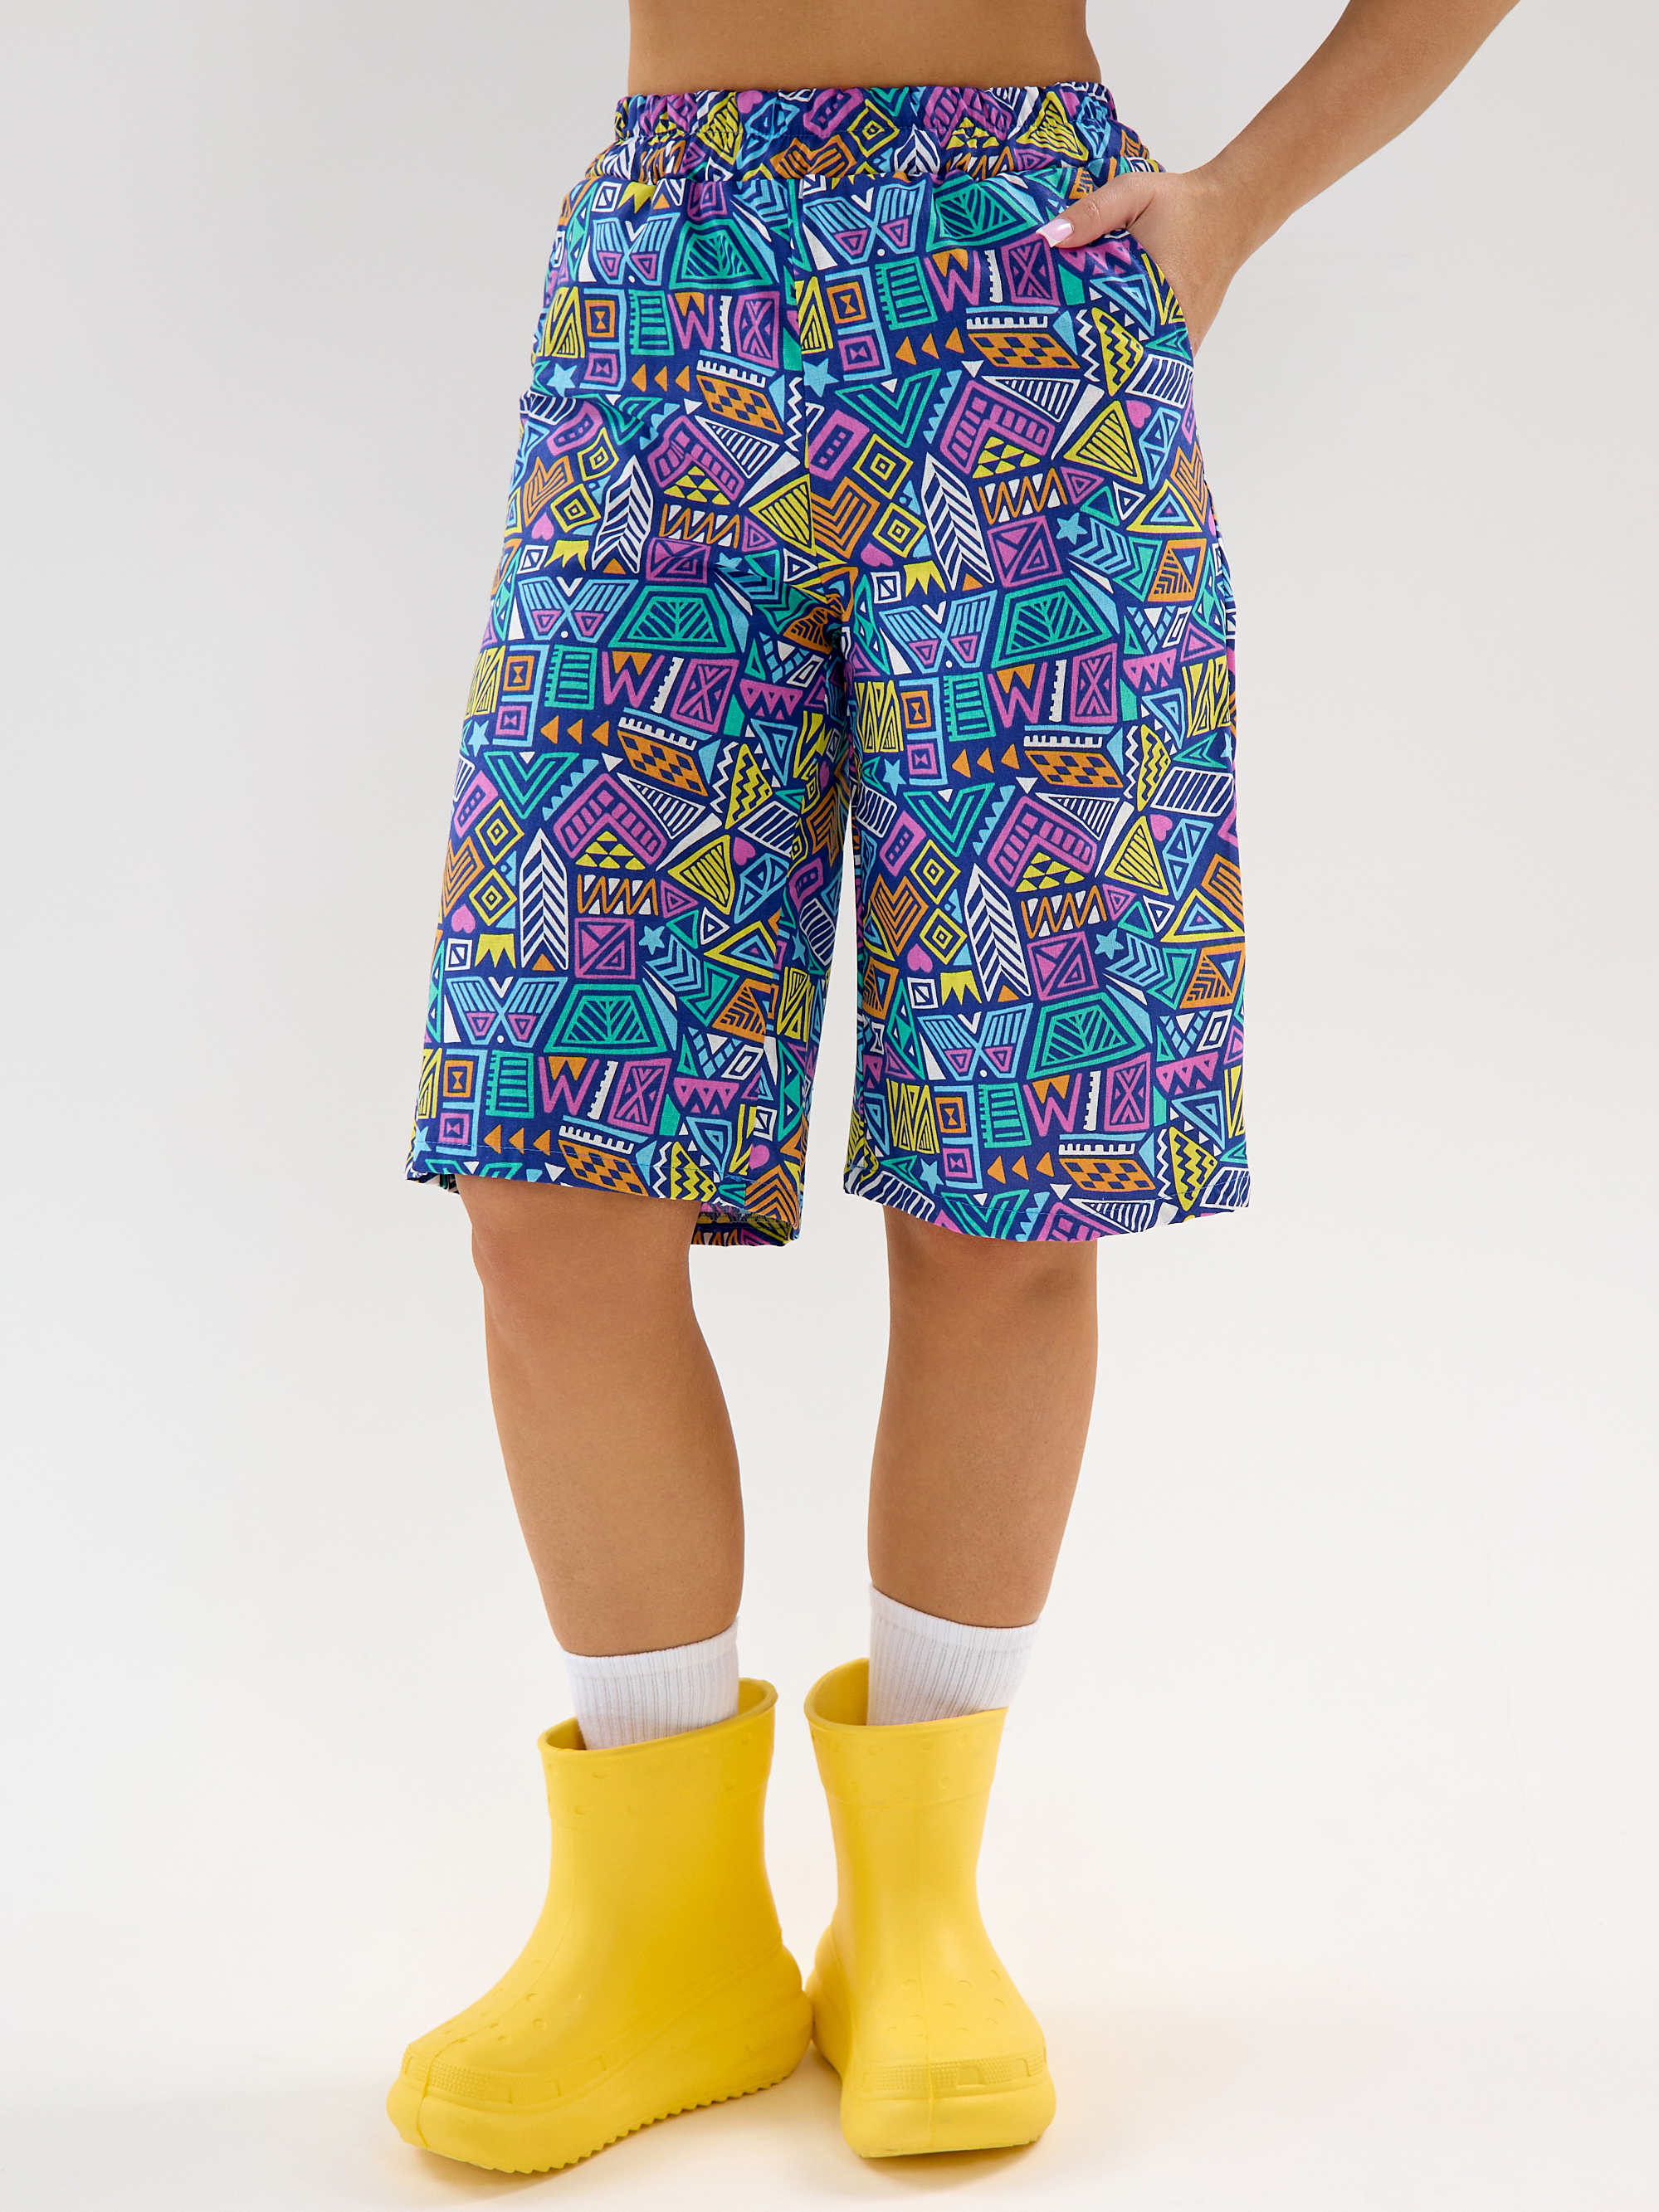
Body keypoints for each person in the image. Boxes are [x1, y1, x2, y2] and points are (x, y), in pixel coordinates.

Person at [390, 0, 1517, 2175]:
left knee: (1015, 1181)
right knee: (549, 1173)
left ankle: (918, 1917)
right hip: (665, 298)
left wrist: (1237, 202)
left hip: (1031, 288)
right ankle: (663, 1932)